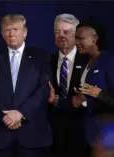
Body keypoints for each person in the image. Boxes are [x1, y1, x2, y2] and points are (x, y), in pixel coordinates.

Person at [0, 14, 51, 157]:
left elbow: (43, 89)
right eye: (7, 30)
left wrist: (21, 113)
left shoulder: (41, 56)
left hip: (31, 135)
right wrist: (5, 116)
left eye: (15, 29)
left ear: (25, 32)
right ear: (2, 34)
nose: (11, 34)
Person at [48, 13, 90, 157]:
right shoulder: (47, 62)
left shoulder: (88, 61)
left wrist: (84, 102)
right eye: (57, 32)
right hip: (53, 136)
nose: (61, 35)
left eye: (66, 32)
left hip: (81, 134)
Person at [74, 19, 114, 152]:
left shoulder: (109, 62)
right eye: (75, 38)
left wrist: (100, 94)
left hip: (107, 136)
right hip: (89, 134)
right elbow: (89, 100)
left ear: (94, 38)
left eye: (80, 38)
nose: (76, 42)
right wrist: (83, 102)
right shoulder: (86, 63)